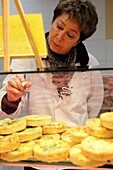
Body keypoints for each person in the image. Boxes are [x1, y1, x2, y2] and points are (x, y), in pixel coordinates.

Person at [0, 0, 104, 169]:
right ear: (53, 21)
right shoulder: (27, 59)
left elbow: (93, 108)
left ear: (78, 40)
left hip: (74, 157)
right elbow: (8, 109)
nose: (59, 36)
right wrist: (12, 98)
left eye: (70, 35)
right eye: (59, 26)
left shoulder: (89, 65)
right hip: (37, 156)